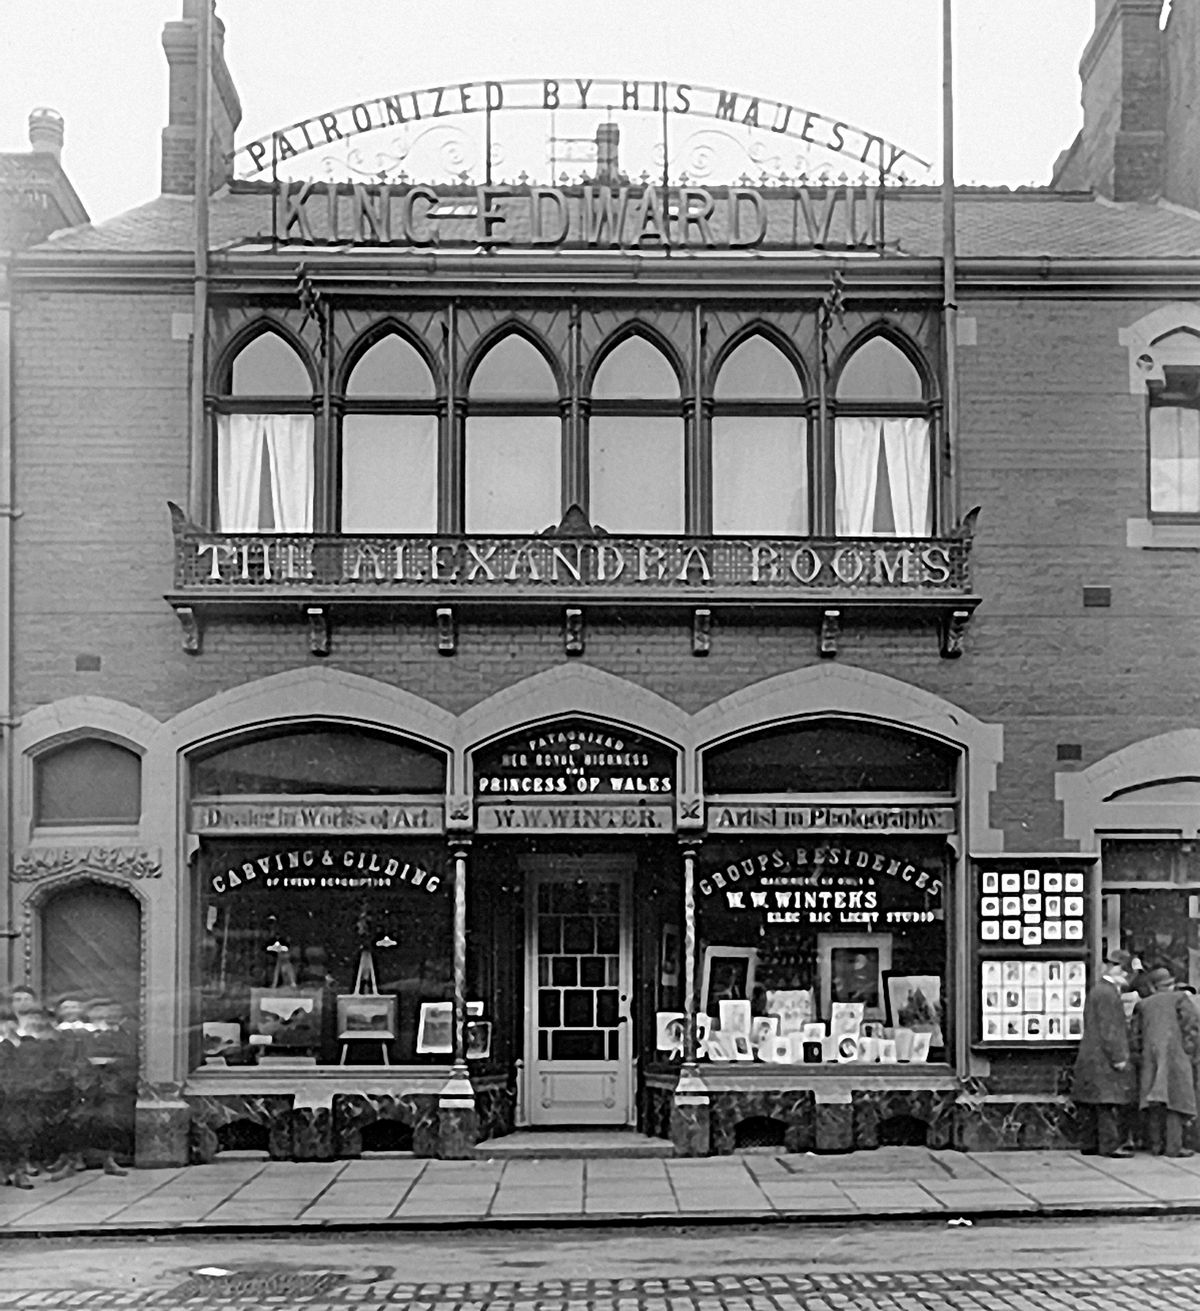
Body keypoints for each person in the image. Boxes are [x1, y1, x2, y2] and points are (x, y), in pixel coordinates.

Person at [1072, 949, 1136, 1158]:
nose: (1127, 979)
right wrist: (1119, 1057)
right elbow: (1111, 1029)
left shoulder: (1097, 990)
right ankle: (1109, 1145)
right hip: (1104, 1058)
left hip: (1091, 1054)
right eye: (1126, 973)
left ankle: (1089, 1143)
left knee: (1094, 1103)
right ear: (1118, 970)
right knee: (1107, 1102)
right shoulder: (1109, 994)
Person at [1130, 966, 1199, 1158]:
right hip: (1177, 1057)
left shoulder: (1144, 1004)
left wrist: (1139, 1055)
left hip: (1150, 1058)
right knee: (1176, 1103)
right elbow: (1192, 1028)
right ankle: (1174, 1146)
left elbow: (1135, 1035)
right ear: (1170, 984)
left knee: (1155, 1103)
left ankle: (1155, 1145)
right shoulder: (1180, 999)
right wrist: (1191, 1054)